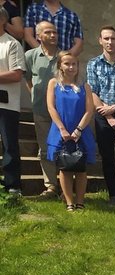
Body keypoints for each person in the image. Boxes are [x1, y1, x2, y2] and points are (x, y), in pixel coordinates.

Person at [46, 51, 95, 210]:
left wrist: (79, 130)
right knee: (65, 167)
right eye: (67, 63)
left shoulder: (85, 86)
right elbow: (51, 107)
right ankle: (69, 203)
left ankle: (80, 202)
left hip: (80, 131)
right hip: (61, 131)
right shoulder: (53, 83)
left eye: (74, 64)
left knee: (80, 168)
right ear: (60, 65)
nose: (71, 67)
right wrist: (62, 129)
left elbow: (89, 110)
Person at [87, 26, 115, 205]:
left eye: (113, 38)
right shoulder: (93, 64)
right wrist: (108, 114)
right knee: (107, 156)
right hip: (102, 115)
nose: (110, 42)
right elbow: (93, 92)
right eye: (106, 39)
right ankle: (114, 195)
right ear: (100, 41)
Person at [25, 19, 60, 198]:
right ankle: (51, 185)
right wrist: (35, 96)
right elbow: (29, 79)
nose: (53, 35)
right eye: (48, 32)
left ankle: (65, 182)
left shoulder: (64, 57)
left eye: (54, 32)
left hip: (62, 111)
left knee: (63, 146)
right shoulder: (30, 56)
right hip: (40, 109)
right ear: (39, 36)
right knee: (45, 147)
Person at [0, 6, 25, 195]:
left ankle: (13, 186)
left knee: (9, 145)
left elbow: (16, 74)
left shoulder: (12, 44)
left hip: (6, 104)